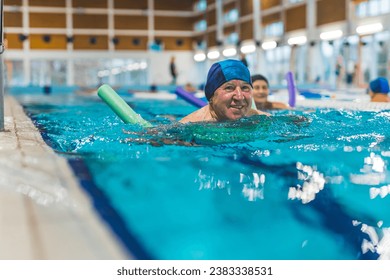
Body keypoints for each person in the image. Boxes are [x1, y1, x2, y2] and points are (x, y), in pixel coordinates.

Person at [179, 59, 267, 124]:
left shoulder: (261, 119)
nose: (239, 97)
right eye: (229, 88)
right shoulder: (190, 125)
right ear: (211, 96)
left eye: (244, 88)